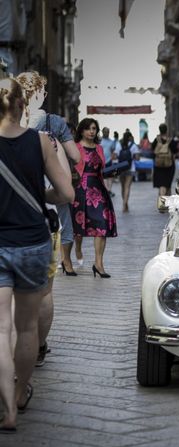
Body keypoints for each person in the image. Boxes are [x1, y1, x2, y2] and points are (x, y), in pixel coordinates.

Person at [0, 78, 74, 432]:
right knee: (26, 326)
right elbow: (67, 194)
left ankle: (6, 409)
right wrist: (41, 196)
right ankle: (18, 396)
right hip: (32, 242)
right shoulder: (42, 141)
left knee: (1, 328)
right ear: (21, 105)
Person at [15, 70, 81, 368]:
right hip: (40, 224)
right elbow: (66, 190)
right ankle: (37, 347)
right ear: (40, 95)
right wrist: (42, 196)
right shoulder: (48, 137)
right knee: (42, 293)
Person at [70, 118, 117, 278]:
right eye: (89, 128)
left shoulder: (99, 148)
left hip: (98, 190)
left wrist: (112, 172)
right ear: (82, 130)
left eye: (94, 129)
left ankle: (98, 264)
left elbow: (101, 170)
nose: (92, 131)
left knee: (102, 225)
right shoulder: (75, 147)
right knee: (76, 229)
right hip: (80, 189)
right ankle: (74, 253)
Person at [152, 123, 178, 203]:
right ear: (166, 130)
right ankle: (166, 204)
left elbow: (152, 151)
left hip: (158, 165)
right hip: (169, 166)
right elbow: (175, 150)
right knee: (168, 185)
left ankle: (162, 203)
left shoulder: (156, 140)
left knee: (161, 185)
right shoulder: (170, 140)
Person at [118, 131, 139, 213]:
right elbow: (137, 158)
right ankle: (125, 204)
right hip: (130, 168)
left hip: (120, 168)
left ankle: (125, 204)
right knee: (127, 187)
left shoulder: (119, 145)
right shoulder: (133, 146)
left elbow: (115, 156)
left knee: (122, 187)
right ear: (130, 137)